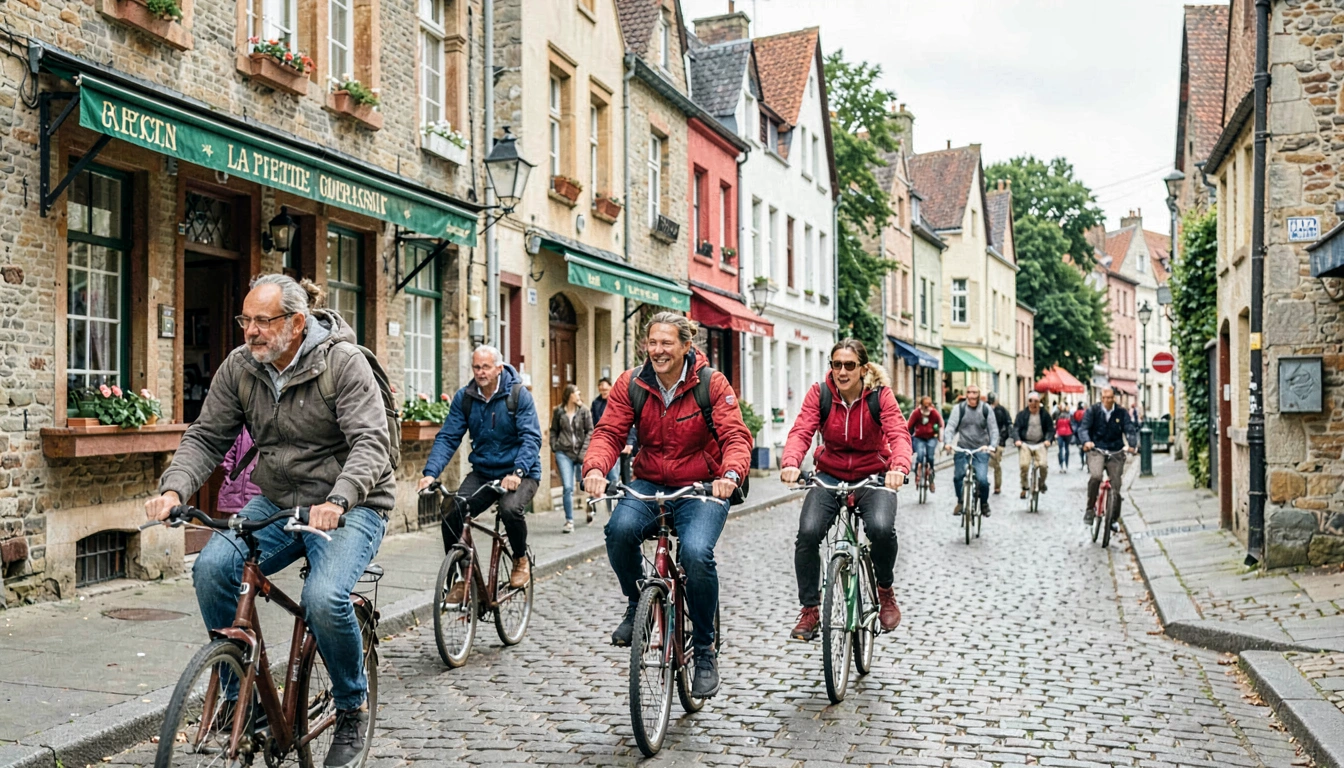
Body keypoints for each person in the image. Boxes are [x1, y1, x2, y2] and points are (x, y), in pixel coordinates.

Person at [145, 275, 388, 768]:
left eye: (262, 321)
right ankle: (243, 701)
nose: (250, 332)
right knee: (213, 568)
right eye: (245, 320)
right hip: (277, 499)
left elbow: (371, 443)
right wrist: (174, 488)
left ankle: (350, 707)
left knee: (324, 597)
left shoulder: (343, 363)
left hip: (351, 504)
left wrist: (339, 500)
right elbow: (207, 436)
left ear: (296, 324)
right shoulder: (242, 367)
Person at [581, 312, 752, 700]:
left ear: (686, 346)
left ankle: (705, 652)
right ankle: (634, 602)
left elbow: (736, 437)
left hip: (702, 486)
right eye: (652, 343)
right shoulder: (632, 383)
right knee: (619, 531)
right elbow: (609, 431)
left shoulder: (711, 383)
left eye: (666, 343)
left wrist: (730, 475)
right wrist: (594, 467)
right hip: (649, 481)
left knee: (695, 552)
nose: (658, 350)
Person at [780, 339, 910, 641]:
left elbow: (898, 433)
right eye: (836, 364)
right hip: (830, 475)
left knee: (880, 527)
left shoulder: (880, 396)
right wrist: (790, 462)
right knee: (808, 533)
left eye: (849, 365)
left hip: (873, 477)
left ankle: (885, 590)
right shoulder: (821, 394)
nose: (842, 371)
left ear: (863, 369)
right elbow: (802, 430)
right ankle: (810, 610)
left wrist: (898, 468)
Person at [418, 345, 542, 590]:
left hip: (521, 472)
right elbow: (448, 437)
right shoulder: (465, 398)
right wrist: (430, 472)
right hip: (484, 471)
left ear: (498, 368)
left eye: (486, 367)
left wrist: (517, 472)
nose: (481, 372)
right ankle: (461, 579)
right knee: (452, 512)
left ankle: (520, 558)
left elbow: (531, 438)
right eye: (476, 367)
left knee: (509, 509)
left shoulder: (518, 395)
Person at [1078, 387, 1139, 528]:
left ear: (1114, 398)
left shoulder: (1121, 413)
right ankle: (1090, 509)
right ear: (1101, 398)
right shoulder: (1093, 411)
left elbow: (1129, 429)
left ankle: (1113, 519)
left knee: (1116, 484)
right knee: (1096, 476)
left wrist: (1132, 445)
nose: (1108, 400)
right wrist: (1086, 441)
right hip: (1096, 449)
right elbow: (1084, 428)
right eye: (1105, 398)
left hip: (1115, 451)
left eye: (1110, 397)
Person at [943, 384, 998, 517]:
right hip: (963, 447)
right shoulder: (959, 409)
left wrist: (992, 445)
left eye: (975, 392)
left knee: (982, 479)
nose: (972, 395)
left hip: (981, 448)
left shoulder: (986, 409)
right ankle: (961, 501)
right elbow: (951, 426)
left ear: (979, 395)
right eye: (969, 392)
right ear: (966, 394)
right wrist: (948, 442)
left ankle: (984, 503)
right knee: (958, 476)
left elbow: (993, 429)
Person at [550, 384, 593, 532]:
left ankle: (590, 506)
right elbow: (553, 430)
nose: (579, 395)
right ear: (569, 395)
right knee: (568, 487)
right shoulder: (559, 412)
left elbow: (590, 432)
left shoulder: (584, 411)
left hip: (581, 453)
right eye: (576, 393)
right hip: (564, 452)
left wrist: (583, 453)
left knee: (585, 485)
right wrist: (554, 446)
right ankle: (569, 521)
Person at [592, 377, 636, 489]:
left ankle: (622, 503)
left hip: (621, 442)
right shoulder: (596, 403)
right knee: (611, 476)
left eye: (606, 389)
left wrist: (629, 442)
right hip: (606, 444)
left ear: (611, 388)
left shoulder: (619, 402)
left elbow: (629, 422)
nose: (603, 391)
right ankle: (612, 503)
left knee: (623, 477)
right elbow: (594, 424)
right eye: (601, 389)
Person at [1013, 392, 1056, 498]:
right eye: (1031, 401)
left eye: (1036, 401)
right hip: (1025, 443)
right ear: (1028, 402)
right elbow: (1016, 429)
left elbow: (1050, 429)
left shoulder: (1044, 415)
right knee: (1024, 465)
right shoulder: (1022, 415)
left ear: (1039, 402)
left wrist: (1048, 440)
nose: (1033, 404)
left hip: (1040, 443)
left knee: (1043, 465)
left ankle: (1041, 483)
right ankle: (1024, 486)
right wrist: (1017, 440)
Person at [217, 426, 261, 514]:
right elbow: (228, 455)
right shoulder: (241, 430)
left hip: (258, 492)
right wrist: (231, 476)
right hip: (233, 491)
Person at [907, 395, 943, 492]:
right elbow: (909, 425)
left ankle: (931, 477)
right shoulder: (916, 413)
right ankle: (917, 473)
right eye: (925, 405)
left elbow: (941, 424)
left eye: (929, 404)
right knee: (920, 455)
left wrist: (941, 438)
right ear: (921, 405)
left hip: (931, 438)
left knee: (930, 457)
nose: (927, 407)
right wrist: (907, 438)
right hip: (919, 438)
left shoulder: (934, 413)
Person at [985, 392, 1012, 495]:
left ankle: (997, 486)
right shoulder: (984, 409)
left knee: (996, 464)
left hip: (999, 441)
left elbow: (1008, 424)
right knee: (983, 462)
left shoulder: (1002, 410)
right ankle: (983, 482)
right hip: (986, 441)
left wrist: (1003, 438)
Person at [1054, 403, 1074, 473]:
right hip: (1068, 433)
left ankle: (1061, 465)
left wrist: (1055, 433)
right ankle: (1066, 464)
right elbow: (1071, 425)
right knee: (1067, 448)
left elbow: (1056, 426)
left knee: (1060, 449)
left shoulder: (1058, 417)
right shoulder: (1069, 417)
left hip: (1060, 433)